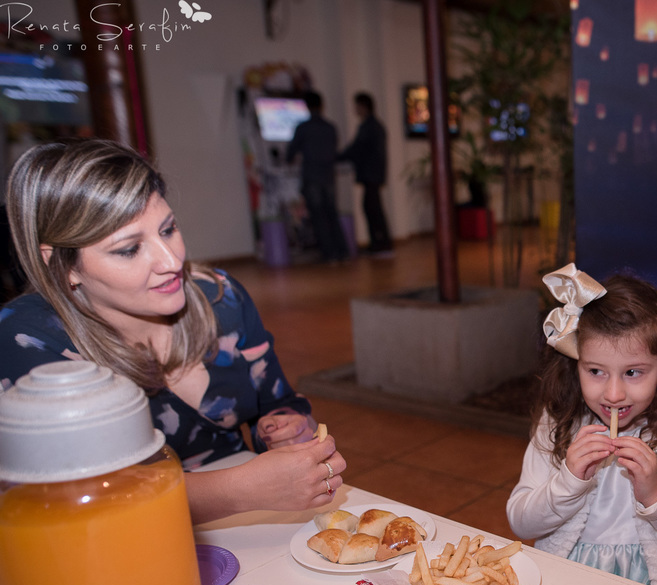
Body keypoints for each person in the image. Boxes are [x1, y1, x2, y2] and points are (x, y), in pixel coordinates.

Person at [0, 139, 346, 524]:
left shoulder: (221, 298)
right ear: (62, 265)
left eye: (168, 229)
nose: (171, 261)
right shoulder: (25, 340)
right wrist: (242, 489)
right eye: (129, 249)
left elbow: (278, 399)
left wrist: (287, 427)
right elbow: (86, 498)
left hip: (252, 524)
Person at [507, 264, 657, 585]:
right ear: (575, 364)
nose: (613, 394)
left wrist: (656, 496)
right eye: (595, 371)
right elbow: (521, 523)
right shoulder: (559, 422)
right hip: (567, 583)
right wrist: (568, 482)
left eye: (633, 373)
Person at [287, 91, 348, 261]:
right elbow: (333, 152)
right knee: (331, 213)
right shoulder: (330, 127)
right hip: (328, 176)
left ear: (306, 106)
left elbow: (290, 153)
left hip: (312, 177)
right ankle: (342, 251)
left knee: (318, 216)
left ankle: (329, 254)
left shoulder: (303, 128)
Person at [338, 92, 392, 254]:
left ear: (363, 106)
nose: (355, 109)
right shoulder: (373, 125)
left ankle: (381, 243)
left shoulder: (370, 127)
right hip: (373, 175)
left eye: (357, 106)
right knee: (372, 208)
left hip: (371, 175)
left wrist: (336, 157)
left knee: (372, 209)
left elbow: (357, 149)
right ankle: (380, 242)